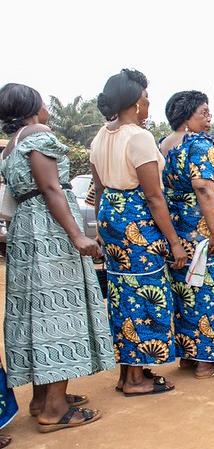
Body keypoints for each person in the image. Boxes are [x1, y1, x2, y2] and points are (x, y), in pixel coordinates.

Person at [1, 82, 115, 431]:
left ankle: (42, 399)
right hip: (49, 232)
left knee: (37, 312)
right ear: (33, 106)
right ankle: (54, 409)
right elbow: (51, 188)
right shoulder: (39, 133)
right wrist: (78, 235)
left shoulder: (11, 147)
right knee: (59, 313)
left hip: (25, 232)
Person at [91, 70, 186, 396]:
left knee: (121, 296)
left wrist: (104, 232)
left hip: (112, 222)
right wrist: (174, 242)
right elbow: (154, 197)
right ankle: (134, 380)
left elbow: (100, 190)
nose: (149, 104)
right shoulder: (139, 137)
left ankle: (129, 372)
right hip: (137, 226)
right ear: (134, 102)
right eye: (146, 98)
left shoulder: (101, 136)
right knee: (144, 295)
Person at [160, 91, 214, 378]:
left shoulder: (165, 145)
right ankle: (208, 360)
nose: (209, 118)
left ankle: (189, 354)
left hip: (182, 229)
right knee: (213, 288)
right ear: (187, 116)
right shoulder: (198, 145)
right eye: (204, 112)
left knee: (188, 289)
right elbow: (203, 188)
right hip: (204, 231)